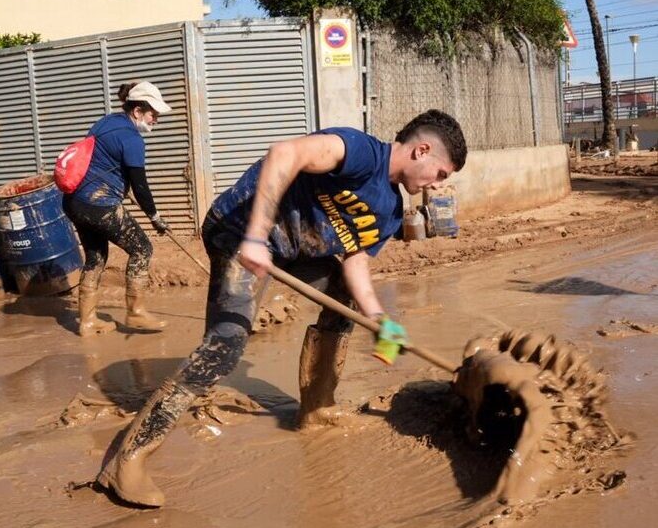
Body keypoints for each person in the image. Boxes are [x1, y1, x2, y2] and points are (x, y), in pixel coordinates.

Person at [97, 109, 468, 507]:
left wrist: (376, 317)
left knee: (346, 302)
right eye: (441, 174)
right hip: (240, 230)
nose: (435, 186)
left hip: (292, 252)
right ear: (422, 150)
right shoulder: (360, 151)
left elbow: (355, 257)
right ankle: (128, 459)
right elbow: (283, 154)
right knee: (225, 346)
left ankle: (317, 408)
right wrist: (256, 236)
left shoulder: (390, 212)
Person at [62, 81, 172, 337]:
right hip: (98, 204)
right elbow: (140, 186)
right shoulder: (132, 140)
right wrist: (155, 217)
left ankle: (87, 322)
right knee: (142, 248)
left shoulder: (108, 121)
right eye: (152, 114)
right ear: (137, 112)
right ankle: (136, 312)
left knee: (96, 257)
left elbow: (103, 158)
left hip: (74, 201)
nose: (156, 119)